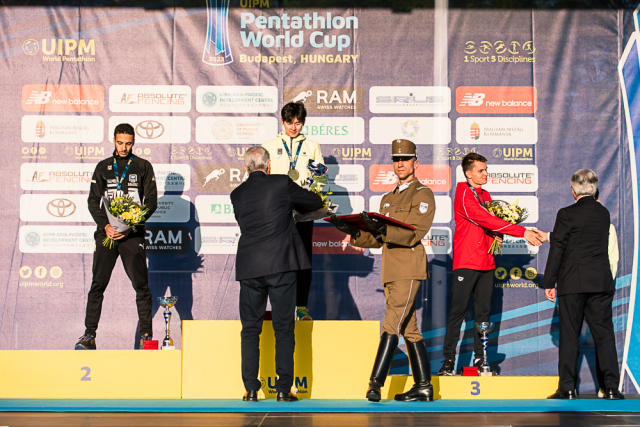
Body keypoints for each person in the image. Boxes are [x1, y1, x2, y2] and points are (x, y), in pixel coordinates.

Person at [329, 139, 436, 402]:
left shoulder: (423, 194)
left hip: (408, 269)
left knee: (391, 324)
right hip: (390, 271)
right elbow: (378, 239)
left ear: (415, 163)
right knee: (409, 329)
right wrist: (354, 233)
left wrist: (383, 228)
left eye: (405, 159)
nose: (400, 164)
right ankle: (423, 386)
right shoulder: (388, 198)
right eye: (396, 160)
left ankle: (375, 383)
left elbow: (414, 233)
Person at [231, 146, 323, 402]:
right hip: (281, 264)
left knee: (250, 330)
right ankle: (283, 389)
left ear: (246, 168)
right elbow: (315, 202)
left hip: (250, 267)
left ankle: (251, 389)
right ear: (268, 165)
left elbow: (245, 222)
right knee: (283, 328)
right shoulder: (282, 183)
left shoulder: (237, 194)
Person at [438, 153, 541, 375]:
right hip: (466, 262)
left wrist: (496, 235)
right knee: (458, 312)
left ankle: (480, 359)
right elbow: (484, 219)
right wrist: (522, 232)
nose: (486, 174)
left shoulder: (485, 194)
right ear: (468, 173)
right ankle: (448, 361)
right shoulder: (464, 193)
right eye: (481, 170)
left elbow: (490, 226)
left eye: (486, 170)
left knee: (483, 314)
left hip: (487, 262)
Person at [540, 169, 623, 400]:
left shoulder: (566, 213)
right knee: (604, 335)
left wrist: (549, 281)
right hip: (601, 282)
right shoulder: (603, 213)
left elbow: (559, 247)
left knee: (569, 335)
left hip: (573, 282)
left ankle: (567, 388)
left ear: (573, 190)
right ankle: (611, 388)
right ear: (594, 189)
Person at [75, 123, 157, 350]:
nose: (123, 148)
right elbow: (93, 201)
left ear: (133, 143)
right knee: (97, 285)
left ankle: (146, 336)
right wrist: (105, 225)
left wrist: (132, 224)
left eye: (128, 143)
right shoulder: (103, 167)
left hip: (132, 235)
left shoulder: (143, 166)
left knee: (141, 286)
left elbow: (151, 202)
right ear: (114, 140)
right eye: (120, 143)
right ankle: (89, 335)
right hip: (107, 234)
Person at [262, 102, 323, 320]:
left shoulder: (312, 146)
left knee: (303, 262)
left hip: (303, 214)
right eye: (289, 122)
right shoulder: (269, 146)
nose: (293, 127)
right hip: (277, 216)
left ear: (303, 123)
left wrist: (311, 195)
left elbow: (320, 178)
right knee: (277, 262)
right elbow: (262, 180)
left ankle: (302, 309)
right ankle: (280, 309)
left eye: (298, 123)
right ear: (282, 121)